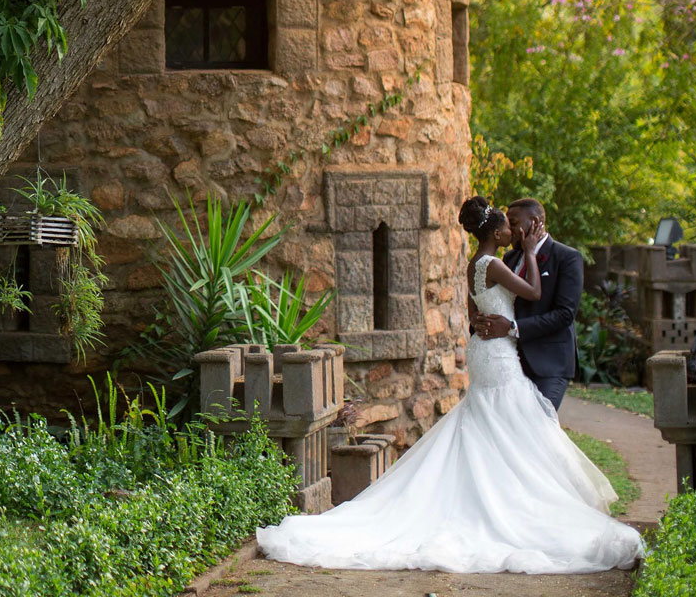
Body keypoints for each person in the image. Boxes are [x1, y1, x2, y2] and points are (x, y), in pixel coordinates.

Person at [255, 196, 643, 574]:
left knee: (521, 437)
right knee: (521, 437)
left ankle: (526, 512)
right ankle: (508, 516)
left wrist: (504, 324)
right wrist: (494, 311)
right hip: (501, 357)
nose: (513, 229)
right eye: (507, 223)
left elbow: (558, 313)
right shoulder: (503, 259)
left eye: (516, 222)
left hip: (535, 360)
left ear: (535, 222)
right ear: (497, 229)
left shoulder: (559, 258)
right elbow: (510, 298)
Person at [471, 197, 580, 411]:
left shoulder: (567, 257)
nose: (508, 229)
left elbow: (565, 314)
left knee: (540, 423)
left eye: (513, 222)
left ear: (535, 222)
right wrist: (479, 320)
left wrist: (513, 328)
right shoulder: (509, 258)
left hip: (548, 365)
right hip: (508, 362)